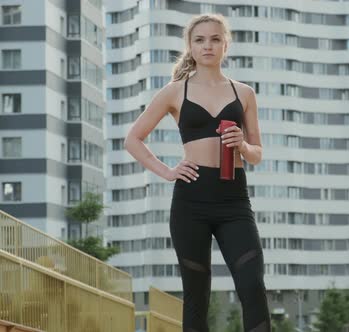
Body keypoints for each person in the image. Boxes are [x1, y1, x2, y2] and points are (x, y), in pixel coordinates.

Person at [124, 13, 270, 332]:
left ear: (225, 45)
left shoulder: (243, 93)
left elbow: (258, 154)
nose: (208, 45)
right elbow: (132, 139)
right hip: (191, 201)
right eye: (200, 39)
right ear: (190, 46)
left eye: (215, 39)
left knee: (252, 286)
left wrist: (243, 146)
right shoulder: (175, 91)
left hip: (234, 202)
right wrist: (166, 171)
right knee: (196, 296)